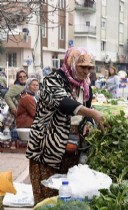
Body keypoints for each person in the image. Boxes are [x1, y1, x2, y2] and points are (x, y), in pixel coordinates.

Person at [26, 47, 105, 204]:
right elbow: (64, 103)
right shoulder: (52, 80)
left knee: (66, 197)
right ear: (72, 63)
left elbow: (87, 109)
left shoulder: (85, 85)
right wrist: (93, 115)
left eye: (90, 67)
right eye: (83, 67)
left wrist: (88, 122)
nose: (86, 71)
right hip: (48, 148)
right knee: (47, 199)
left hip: (71, 148)